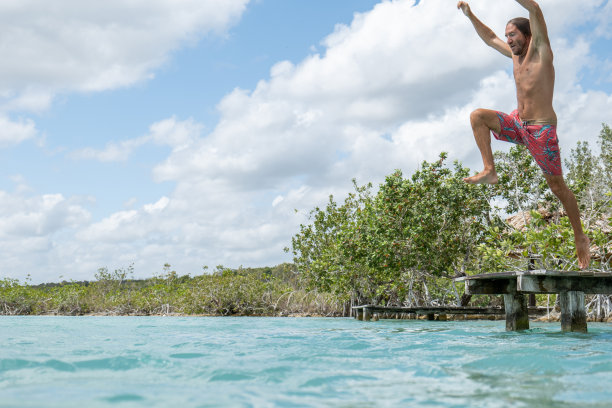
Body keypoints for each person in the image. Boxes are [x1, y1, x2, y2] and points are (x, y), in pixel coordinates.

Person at [457, 0, 591, 269]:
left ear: (528, 35)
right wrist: (470, 15)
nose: (508, 40)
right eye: (507, 36)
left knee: (557, 187)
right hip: (519, 125)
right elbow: (489, 37)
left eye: (513, 35)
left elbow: (535, 9)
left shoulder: (541, 50)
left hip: (541, 130)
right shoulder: (514, 56)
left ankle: (580, 237)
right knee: (478, 116)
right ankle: (489, 170)